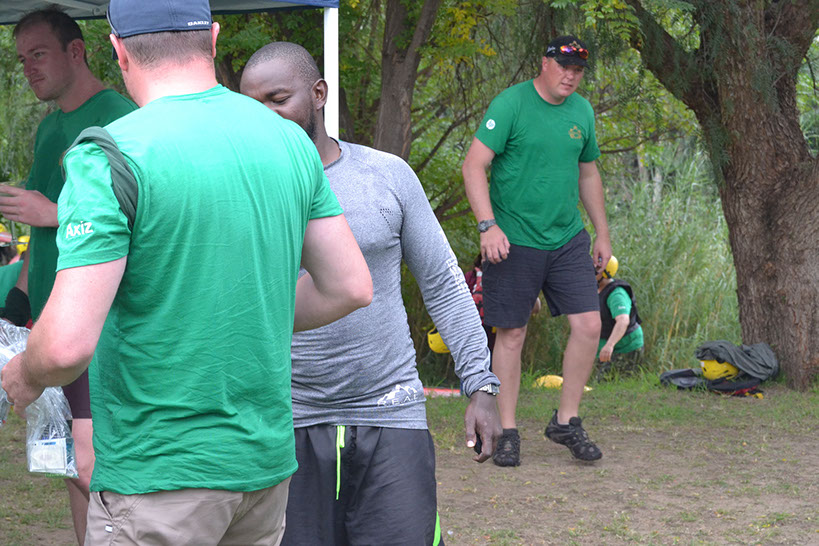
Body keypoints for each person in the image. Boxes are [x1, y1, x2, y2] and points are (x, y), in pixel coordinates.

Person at [0, 1, 372, 544]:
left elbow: (63, 347)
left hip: (158, 476)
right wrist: (244, 309)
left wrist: (22, 376)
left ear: (118, 50)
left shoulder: (110, 153)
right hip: (263, 470)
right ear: (213, 38)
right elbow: (350, 286)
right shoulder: (289, 139)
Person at [240, 41, 502, 545]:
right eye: (253, 107)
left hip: (390, 413)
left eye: (278, 99)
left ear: (318, 94)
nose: (266, 117)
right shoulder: (238, 190)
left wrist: (480, 385)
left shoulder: (386, 176)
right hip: (284, 422)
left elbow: (443, 284)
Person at [1, 9, 137, 543]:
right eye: (22, 59)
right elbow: (42, 235)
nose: (29, 68)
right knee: (68, 464)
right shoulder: (49, 128)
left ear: (75, 52)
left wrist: (52, 211)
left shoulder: (120, 117)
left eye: (38, 54)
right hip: (52, 317)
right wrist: (18, 300)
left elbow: (143, 216)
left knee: (91, 462)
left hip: (101, 320)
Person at [461, 35, 611, 466]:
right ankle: (507, 431)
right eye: (564, 66)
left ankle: (566, 420)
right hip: (513, 239)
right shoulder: (511, 105)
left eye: (578, 70)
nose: (571, 76)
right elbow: (474, 165)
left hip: (567, 238)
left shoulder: (581, 111)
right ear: (544, 63)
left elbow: (587, 173)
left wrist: (602, 233)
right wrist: (487, 226)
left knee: (589, 325)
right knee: (512, 334)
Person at [596, 256, 643, 378]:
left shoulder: (616, 294)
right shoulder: (595, 290)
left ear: (606, 273)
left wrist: (609, 345)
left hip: (625, 346)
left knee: (603, 383)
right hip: (603, 345)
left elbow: (623, 321)